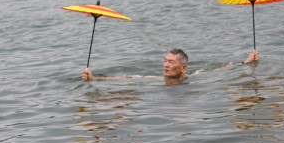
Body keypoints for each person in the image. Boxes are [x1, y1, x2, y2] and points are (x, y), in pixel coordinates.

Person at [81, 49, 259, 86]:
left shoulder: (195, 76)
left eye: (171, 62)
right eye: (165, 61)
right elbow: (124, 78)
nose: (166, 65)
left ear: (183, 68)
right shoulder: (155, 79)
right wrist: (95, 78)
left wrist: (247, 61)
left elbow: (224, 69)